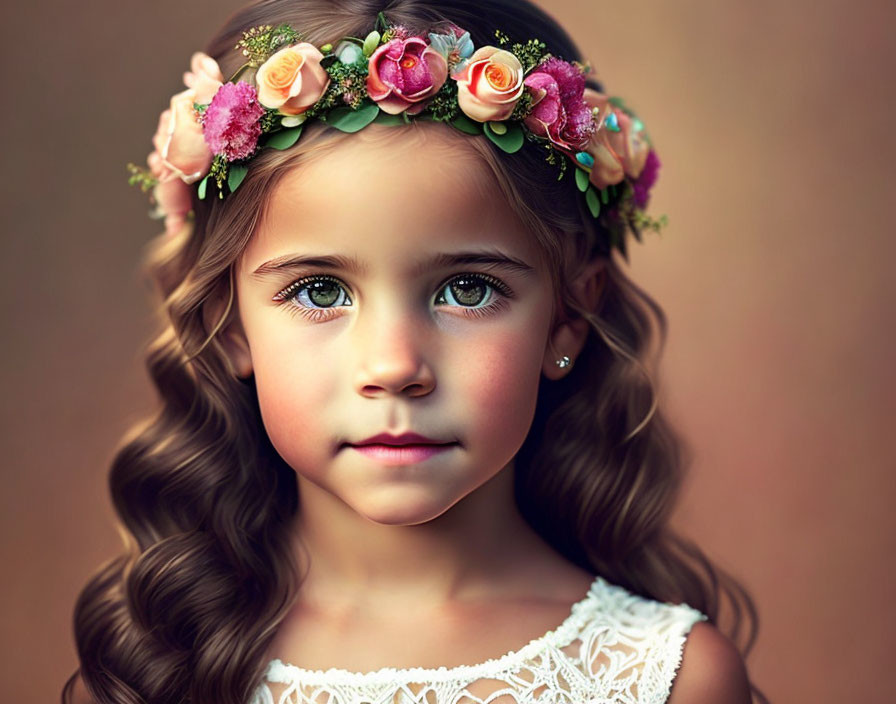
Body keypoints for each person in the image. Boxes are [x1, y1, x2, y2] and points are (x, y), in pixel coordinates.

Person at [64, 1, 769, 702]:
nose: (395, 366)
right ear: (230, 325)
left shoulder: (669, 680)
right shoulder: (163, 656)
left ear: (568, 315)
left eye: (465, 289)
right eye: (318, 291)